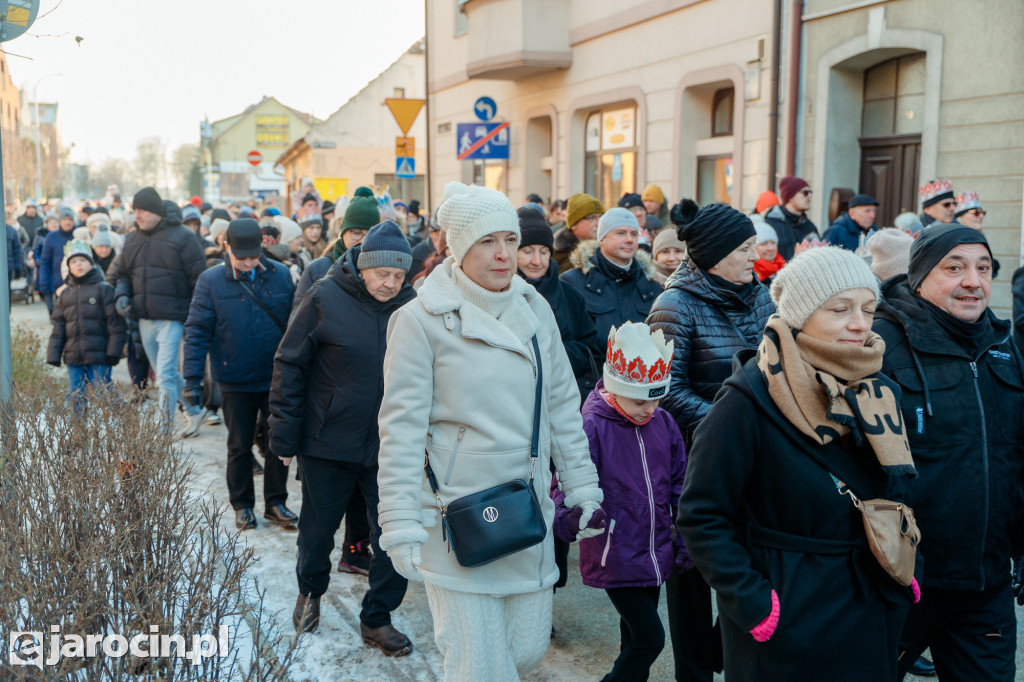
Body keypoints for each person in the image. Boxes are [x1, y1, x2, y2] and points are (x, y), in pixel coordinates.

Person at [376, 182, 604, 680]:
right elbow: (401, 430)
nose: (504, 254)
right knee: (479, 668)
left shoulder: (534, 307)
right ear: (459, 248)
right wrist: (399, 521)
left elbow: (563, 407)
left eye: (510, 239)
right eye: (487, 241)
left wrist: (582, 485)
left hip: (527, 512)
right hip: (457, 516)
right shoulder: (419, 320)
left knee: (526, 652)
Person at [679, 246, 919, 682]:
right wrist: (753, 602)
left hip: (868, 602)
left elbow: (896, 488)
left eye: (868, 309)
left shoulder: (879, 390)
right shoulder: (748, 399)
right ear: (801, 314)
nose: (859, 323)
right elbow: (702, 514)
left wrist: (903, 563)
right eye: (840, 309)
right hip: (787, 617)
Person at [872, 225, 1024, 682]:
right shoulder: (879, 343)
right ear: (919, 277)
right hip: (899, 583)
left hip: (984, 586)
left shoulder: (1003, 346)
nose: (973, 281)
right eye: (954, 268)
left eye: (983, 268)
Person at [270, 221, 417, 655]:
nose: (390, 284)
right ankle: (310, 592)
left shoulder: (413, 307)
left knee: (393, 536)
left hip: (391, 446)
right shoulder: (325, 296)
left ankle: (377, 617)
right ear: (363, 267)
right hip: (328, 441)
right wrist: (284, 436)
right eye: (382, 274)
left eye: (399, 275)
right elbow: (290, 364)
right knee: (317, 532)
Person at [647, 199, 775, 682]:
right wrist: (730, 423)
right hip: (696, 460)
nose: (754, 256)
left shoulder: (760, 296)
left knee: (750, 560)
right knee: (692, 577)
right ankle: (695, 672)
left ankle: (729, 651)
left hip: (755, 456)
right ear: (716, 255)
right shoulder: (674, 305)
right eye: (744, 248)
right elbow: (664, 390)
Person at [553, 322, 686, 682]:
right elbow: (565, 483)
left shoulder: (664, 422)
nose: (649, 409)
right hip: (615, 552)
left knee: (633, 641)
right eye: (640, 401)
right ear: (616, 388)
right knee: (650, 639)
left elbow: (680, 482)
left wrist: (686, 537)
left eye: (656, 399)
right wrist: (570, 518)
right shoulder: (592, 426)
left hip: (654, 549)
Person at [183, 219, 296, 531]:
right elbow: (196, 331)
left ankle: (276, 502)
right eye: (241, 257)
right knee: (239, 444)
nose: (248, 263)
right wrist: (192, 380)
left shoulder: (280, 275)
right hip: (235, 377)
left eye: (254, 256)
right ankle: (242, 505)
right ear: (226, 248)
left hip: (275, 376)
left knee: (278, 442)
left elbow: (294, 325)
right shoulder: (211, 281)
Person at [108, 188, 206, 433]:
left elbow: (199, 279)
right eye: (135, 211)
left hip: (173, 316)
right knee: (166, 373)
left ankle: (162, 435)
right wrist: (121, 295)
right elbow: (123, 274)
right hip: (144, 317)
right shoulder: (133, 239)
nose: (137, 215)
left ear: (155, 211)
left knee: (164, 376)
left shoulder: (183, 237)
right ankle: (195, 411)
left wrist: (195, 315)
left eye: (142, 210)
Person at [517, 206, 602, 401]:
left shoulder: (570, 296)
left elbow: (591, 350)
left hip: (565, 398)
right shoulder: (498, 294)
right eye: (527, 251)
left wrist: (552, 354)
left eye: (544, 252)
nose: (537, 261)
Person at [561, 207, 662, 346]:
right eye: (621, 233)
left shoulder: (652, 287)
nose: (629, 240)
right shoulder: (572, 283)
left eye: (634, 234)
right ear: (602, 239)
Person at [46, 241, 126, 408]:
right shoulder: (65, 294)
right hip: (74, 356)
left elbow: (115, 325)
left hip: (99, 355)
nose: (79, 264)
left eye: (83, 260)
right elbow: (58, 328)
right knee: (76, 395)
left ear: (91, 263)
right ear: (69, 267)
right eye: (74, 262)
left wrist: (114, 352)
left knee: (104, 392)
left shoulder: (103, 289)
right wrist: (54, 354)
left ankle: (123, 418)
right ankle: (78, 424)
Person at [292, 194, 379, 310]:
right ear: (343, 232)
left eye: (369, 235)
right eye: (356, 233)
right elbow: (299, 317)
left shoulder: (387, 272)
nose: (362, 240)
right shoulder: (316, 270)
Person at [764, 176, 818, 260]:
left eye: (810, 192)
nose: (809, 196)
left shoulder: (810, 227)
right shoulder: (770, 225)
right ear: (790, 196)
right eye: (805, 192)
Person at [37, 207, 77, 313]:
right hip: (58, 281)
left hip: (77, 282)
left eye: (70, 219)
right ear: (60, 221)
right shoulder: (52, 237)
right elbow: (45, 261)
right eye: (64, 220)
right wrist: (44, 282)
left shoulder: (78, 235)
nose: (67, 222)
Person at [553, 193, 604, 273]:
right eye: (591, 218)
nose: (598, 223)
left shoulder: (604, 249)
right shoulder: (560, 255)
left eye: (600, 217)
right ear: (573, 225)